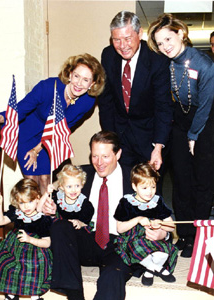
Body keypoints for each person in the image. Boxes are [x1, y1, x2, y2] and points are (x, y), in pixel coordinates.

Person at [44, 130, 169, 300]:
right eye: (95, 156)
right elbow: (59, 198)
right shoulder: (82, 176)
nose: (99, 163)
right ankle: (74, 296)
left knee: (112, 275)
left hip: (121, 245)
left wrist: (162, 233)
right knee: (59, 227)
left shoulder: (137, 178)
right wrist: (49, 208)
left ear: (118, 154)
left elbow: (163, 219)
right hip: (88, 239)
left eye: (105, 156)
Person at [0, 53, 105, 194]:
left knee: (46, 180)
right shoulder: (47, 87)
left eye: (86, 80)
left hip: (50, 136)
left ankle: (46, 214)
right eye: (76, 76)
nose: (78, 83)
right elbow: (20, 109)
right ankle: (32, 213)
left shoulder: (87, 101)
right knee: (32, 179)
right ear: (70, 74)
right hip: (27, 131)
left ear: (92, 84)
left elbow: (64, 128)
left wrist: (37, 149)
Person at [147, 13, 214, 257]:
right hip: (178, 121)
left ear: (181, 33)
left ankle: (199, 235)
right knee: (181, 181)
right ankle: (184, 235)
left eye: (168, 38)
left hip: (204, 123)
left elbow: (205, 104)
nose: (165, 46)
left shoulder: (204, 63)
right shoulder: (165, 63)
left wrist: (194, 135)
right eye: (160, 42)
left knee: (202, 182)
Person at [98, 11, 174, 178]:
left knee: (149, 190)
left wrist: (158, 146)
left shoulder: (157, 59)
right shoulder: (108, 55)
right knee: (122, 188)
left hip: (149, 138)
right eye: (116, 40)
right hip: (120, 136)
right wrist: (110, 141)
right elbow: (106, 101)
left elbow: (163, 106)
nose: (122, 45)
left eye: (127, 38)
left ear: (139, 33)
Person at [114, 163, 178, 287]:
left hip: (152, 239)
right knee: (138, 247)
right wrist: (138, 219)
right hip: (132, 241)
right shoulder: (126, 202)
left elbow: (172, 226)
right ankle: (158, 269)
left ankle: (149, 270)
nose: (150, 192)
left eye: (153, 187)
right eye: (144, 188)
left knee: (164, 253)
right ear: (134, 186)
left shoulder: (157, 201)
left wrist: (161, 224)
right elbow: (120, 228)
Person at [0, 178, 53, 300]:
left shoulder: (42, 220)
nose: (26, 206)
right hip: (14, 246)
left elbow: (47, 242)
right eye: (22, 203)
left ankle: (35, 296)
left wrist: (30, 239)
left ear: (37, 199)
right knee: (6, 264)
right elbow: (0, 221)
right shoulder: (17, 213)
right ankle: (11, 294)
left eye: (30, 201)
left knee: (33, 267)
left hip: (35, 249)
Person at [38, 164, 94, 229]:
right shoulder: (57, 197)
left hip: (75, 234)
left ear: (82, 185)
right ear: (62, 186)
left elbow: (86, 224)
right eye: (69, 186)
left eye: (77, 186)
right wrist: (46, 193)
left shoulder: (85, 205)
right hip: (57, 230)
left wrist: (80, 223)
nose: (73, 190)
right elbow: (39, 209)